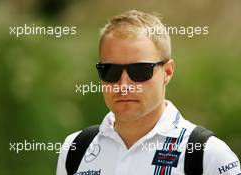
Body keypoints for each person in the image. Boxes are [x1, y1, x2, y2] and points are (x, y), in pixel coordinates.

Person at [57, 10, 241, 175]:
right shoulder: (75, 148)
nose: (124, 85)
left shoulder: (208, 154)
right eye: (110, 71)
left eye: (140, 71)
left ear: (167, 72)